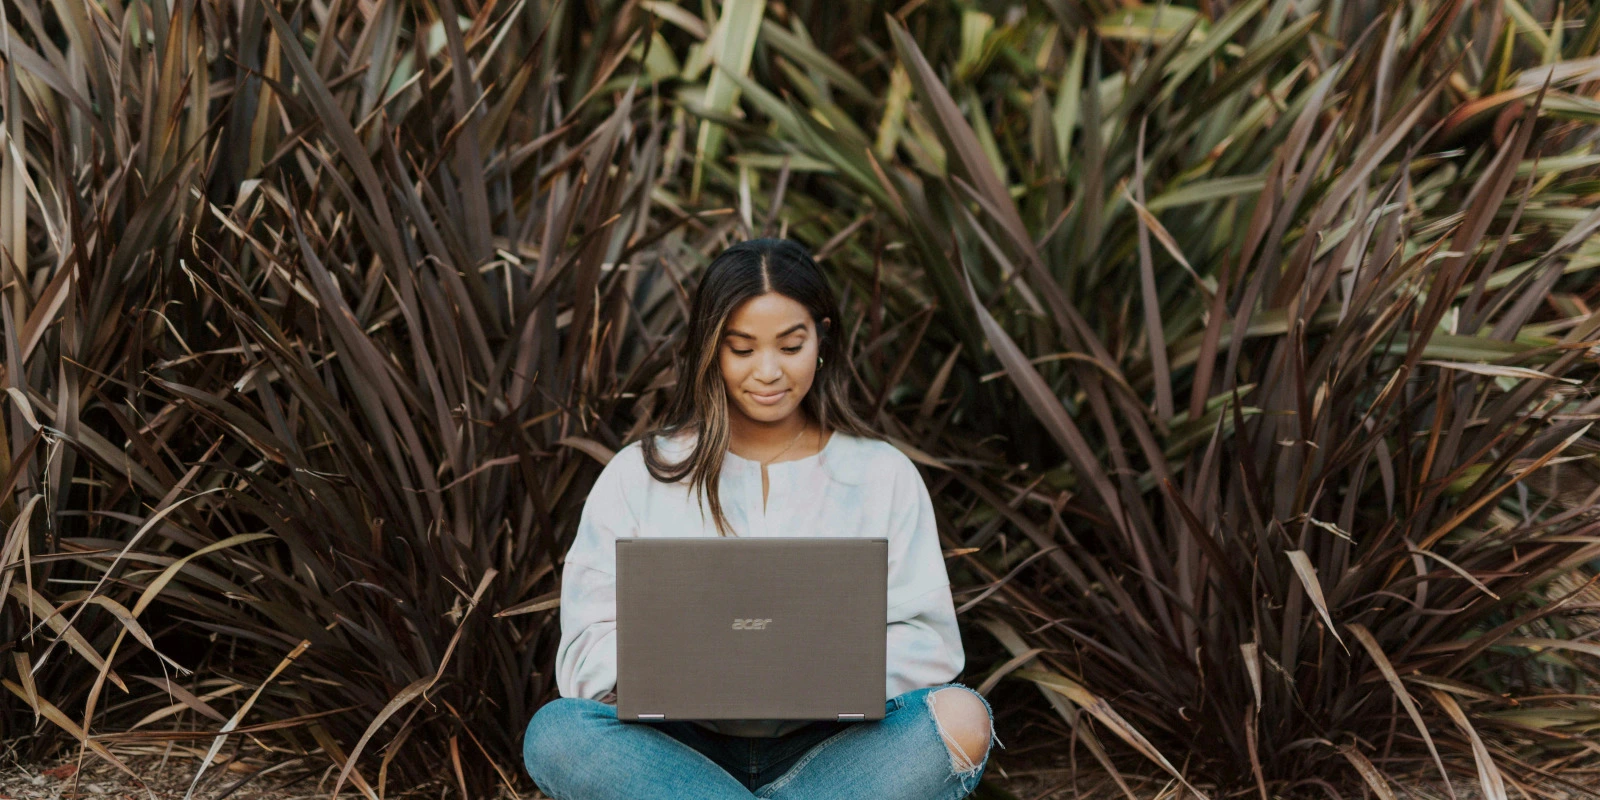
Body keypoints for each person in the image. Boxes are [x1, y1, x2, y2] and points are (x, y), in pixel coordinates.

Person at [522, 238, 1002, 799]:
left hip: (835, 750)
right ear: (710, 350)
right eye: (742, 349)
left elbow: (931, 646)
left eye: (791, 345)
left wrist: (809, 672)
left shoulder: (881, 474)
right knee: (556, 734)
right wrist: (705, 670)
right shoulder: (642, 474)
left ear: (821, 338)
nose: (769, 372)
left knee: (962, 718)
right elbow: (586, 649)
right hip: (676, 750)